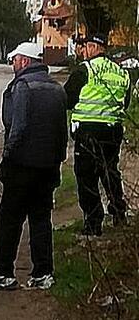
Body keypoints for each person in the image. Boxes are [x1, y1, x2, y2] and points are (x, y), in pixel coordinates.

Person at [0, 42, 67, 291]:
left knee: (9, 218)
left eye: (15, 60)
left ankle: (3, 272)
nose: (13, 65)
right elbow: (62, 132)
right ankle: (43, 273)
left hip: (22, 165)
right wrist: (57, 162)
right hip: (48, 168)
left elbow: (17, 127)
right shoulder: (57, 89)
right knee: (40, 219)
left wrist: (6, 157)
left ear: (25, 61)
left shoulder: (22, 87)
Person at [64, 33, 133, 236]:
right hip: (112, 132)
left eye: (85, 47)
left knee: (87, 177)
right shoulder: (121, 73)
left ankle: (93, 223)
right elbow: (125, 103)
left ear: (94, 47)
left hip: (88, 132)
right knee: (111, 172)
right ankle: (119, 215)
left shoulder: (85, 70)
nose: (84, 51)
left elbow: (67, 99)